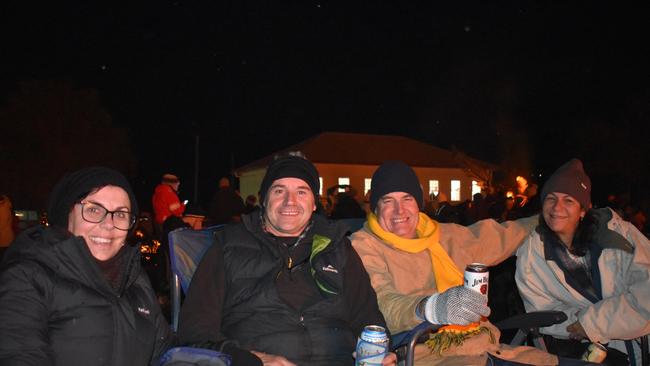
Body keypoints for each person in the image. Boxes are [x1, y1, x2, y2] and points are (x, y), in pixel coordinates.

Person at [178, 152, 396, 366]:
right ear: (264, 199)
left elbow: (367, 315)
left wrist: (379, 351)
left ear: (314, 203)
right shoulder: (228, 245)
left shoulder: (337, 246)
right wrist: (253, 359)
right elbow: (195, 330)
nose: (289, 201)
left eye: (301, 192)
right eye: (279, 191)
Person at [351, 160, 558, 366]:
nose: (399, 211)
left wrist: (548, 218)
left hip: (487, 348)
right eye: (387, 201)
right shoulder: (365, 245)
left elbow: (498, 237)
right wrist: (433, 307)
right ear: (375, 208)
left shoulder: (442, 235)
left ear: (418, 204)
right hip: (429, 356)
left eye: (407, 198)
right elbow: (382, 303)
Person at [0, 166, 173, 366]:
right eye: (93, 209)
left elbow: (167, 354)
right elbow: (16, 354)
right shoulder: (28, 276)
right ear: (67, 214)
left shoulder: (135, 281)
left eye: (120, 214)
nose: (108, 224)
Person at [515, 159, 650, 365]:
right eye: (550, 198)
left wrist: (591, 322)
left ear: (583, 210)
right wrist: (580, 325)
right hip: (589, 353)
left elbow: (646, 295)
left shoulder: (621, 236)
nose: (557, 207)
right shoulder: (532, 253)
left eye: (568, 200)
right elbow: (540, 312)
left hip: (642, 346)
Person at [152, 173, 186, 238]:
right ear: (172, 184)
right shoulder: (169, 193)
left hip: (158, 222)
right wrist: (183, 204)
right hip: (168, 224)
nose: (178, 184)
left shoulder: (157, 193)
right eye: (176, 183)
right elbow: (177, 211)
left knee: (161, 242)